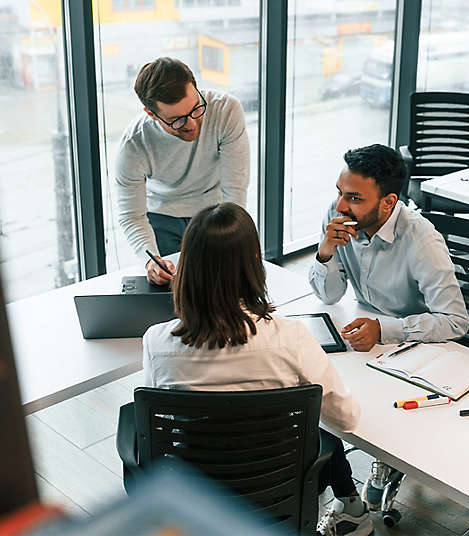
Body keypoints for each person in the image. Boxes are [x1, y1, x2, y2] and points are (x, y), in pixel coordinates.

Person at [142, 203, 373, 536]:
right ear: (254, 266)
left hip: (194, 501)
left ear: (186, 266)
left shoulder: (157, 343)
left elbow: (155, 421)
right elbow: (347, 419)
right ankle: (352, 509)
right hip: (279, 495)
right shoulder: (292, 338)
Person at [309, 143, 469, 351]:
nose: (340, 206)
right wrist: (325, 253)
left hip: (413, 345)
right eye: (340, 192)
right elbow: (329, 297)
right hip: (363, 332)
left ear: (388, 202)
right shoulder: (338, 214)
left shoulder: (422, 241)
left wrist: (383, 330)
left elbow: (455, 322)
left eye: (354, 198)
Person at [116, 57, 250, 285]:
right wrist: (151, 261)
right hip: (162, 216)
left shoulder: (226, 110)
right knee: (173, 289)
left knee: (223, 283)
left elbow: (235, 187)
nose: (191, 124)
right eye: (176, 120)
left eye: (196, 109)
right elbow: (131, 215)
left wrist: (234, 237)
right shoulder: (134, 144)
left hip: (214, 211)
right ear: (151, 114)